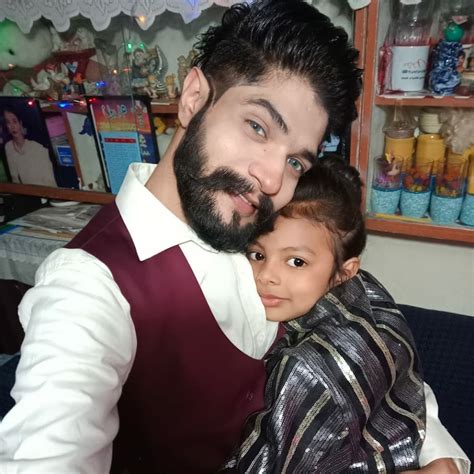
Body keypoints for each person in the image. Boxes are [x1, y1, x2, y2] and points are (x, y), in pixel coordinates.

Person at [0, 1, 469, 473]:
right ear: (193, 97)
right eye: (257, 127)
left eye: (295, 161)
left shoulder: (268, 221)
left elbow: (359, 333)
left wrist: (437, 451)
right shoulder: (87, 286)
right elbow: (47, 451)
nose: (272, 179)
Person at [223, 156, 426, 472]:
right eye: (257, 254)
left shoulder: (306, 370)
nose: (267, 276)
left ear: (344, 271)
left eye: (297, 262)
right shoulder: (363, 288)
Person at [2, 106, 57, 187]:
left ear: (20, 123)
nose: (12, 126)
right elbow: (14, 179)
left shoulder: (39, 149)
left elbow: (50, 183)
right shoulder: (8, 147)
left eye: (14, 121)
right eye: (8, 122)